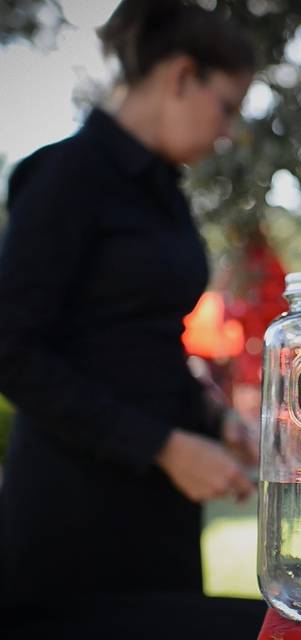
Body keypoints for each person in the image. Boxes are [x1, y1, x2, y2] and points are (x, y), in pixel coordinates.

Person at [0, 0, 260, 621]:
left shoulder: (164, 194)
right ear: (180, 76)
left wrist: (212, 414)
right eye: (226, 106)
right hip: (74, 517)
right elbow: (11, 349)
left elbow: (147, 341)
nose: (226, 131)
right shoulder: (67, 174)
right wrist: (165, 447)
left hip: (160, 512)